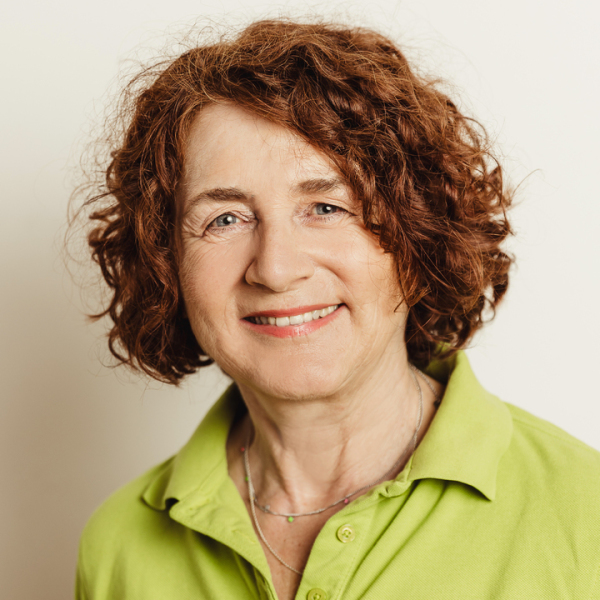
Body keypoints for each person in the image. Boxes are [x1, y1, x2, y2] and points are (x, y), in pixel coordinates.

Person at [74, 18, 600, 600]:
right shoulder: (119, 547)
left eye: (326, 208)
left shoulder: (585, 516)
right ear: (166, 262)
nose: (275, 268)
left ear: (418, 233)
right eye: (224, 219)